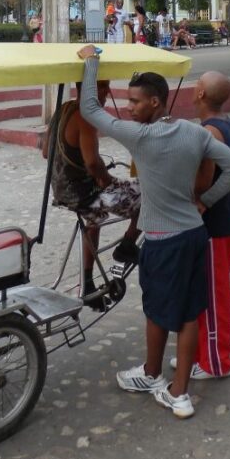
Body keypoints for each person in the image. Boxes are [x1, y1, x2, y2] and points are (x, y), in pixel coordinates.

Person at [76, 46, 230, 419]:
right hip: (195, 235)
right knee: (188, 314)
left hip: (163, 240)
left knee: (156, 311)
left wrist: (91, 61)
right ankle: (179, 393)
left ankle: (152, 374)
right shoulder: (193, 131)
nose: (130, 107)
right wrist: (205, 202)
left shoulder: (140, 137)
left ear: (154, 102)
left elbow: (88, 109)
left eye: (135, 101)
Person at [43, 80, 141, 309]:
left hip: (62, 189)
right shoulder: (85, 116)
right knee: (149, 197)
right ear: (85, 88)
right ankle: (127, 245)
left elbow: (46, 152)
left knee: (93, 219)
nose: (107, 91)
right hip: (83, 192)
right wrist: (109, 181)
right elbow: (92, 163)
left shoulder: (64, 109)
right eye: (101, 86)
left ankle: (87, 283)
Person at [185, 71, 230, 380]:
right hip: (226, 223)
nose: (192, 91)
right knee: (204, 292)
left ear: (203, 94)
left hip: (216, 227)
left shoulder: (211, 132)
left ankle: (216, 362)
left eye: (196, 86)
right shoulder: (224, 123)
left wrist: (204, 200)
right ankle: (196, 353)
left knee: (215, 297)